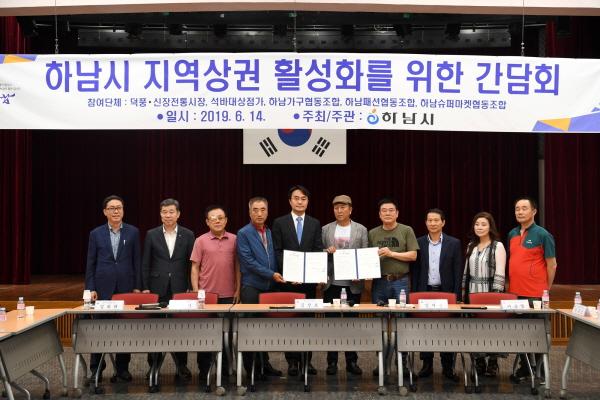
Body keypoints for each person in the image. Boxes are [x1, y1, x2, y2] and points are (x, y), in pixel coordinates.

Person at [85, 195, 141, 382]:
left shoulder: (133, 232)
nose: (116, 211)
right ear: (105, 212)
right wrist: (90, 288)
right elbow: (91, 263)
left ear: (123, 210)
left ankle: (122, 369)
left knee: (124, 329)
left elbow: (137, 261)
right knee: (99, 329)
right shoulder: (96, 234)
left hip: (126, 288)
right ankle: (96, 370)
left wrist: (137, 287)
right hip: (102, 289)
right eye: (112, 208)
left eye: (119, 208)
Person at [141, 198, 195, 381]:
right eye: (164, 212)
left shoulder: (188, 235)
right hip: (157, 288)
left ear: (178, 214)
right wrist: (145, 287)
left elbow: (192, 264)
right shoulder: (151, 234)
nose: (168, 215)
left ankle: (182, 366)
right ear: (160, 214)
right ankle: (153, 366)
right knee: (155, 327)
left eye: (171, 212)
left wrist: (190, 287)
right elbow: (146, 262)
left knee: (180, 327)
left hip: (180, 288)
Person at [272, 185, 323, 377]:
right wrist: (290, 273)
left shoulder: (314, 223)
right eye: (296, 198)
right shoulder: (280, 222)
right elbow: (277, 251)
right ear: (290, 201)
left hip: (308, 283)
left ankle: (307, 361)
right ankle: (292, 362)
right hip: (287, 282)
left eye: (303, 198)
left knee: (308, 321)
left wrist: (313, 275)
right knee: (290, 322)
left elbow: (317, 250)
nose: (300, 201)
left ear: (307, 202)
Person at [507, 196, 557, 381]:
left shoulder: (543, 235)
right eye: (517, 209)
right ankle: (525, 368)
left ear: (534, 211)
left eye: (524, 208)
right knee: (520, 333)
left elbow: (552, 265)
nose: (520, 212)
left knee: (538, 335)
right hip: (515, 294)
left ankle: (541, 371)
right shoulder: (512, 234)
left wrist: (546, 289)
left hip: (536, 296)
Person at [369, 197, 418, 376]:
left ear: (397, 213)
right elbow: (367, 258)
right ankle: (382, 362)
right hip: (379, 282)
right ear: (379, 214)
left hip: (400, 281)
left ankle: (402, 362)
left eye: (391, 210)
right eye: (384, 210)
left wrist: (391, 253)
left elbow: (413, 256)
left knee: (401, 321)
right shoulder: (373, 233)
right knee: (379, 323)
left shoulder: (406, 230)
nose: (388, 213)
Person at [412, 208, 462, 382]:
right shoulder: (418, 242)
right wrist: (414, 293)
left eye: (436, 220)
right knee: (425, 328)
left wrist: (457, 296)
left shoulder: (454, 243)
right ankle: (427, 364)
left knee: (447, 329)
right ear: (426, 223)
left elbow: (457, 271)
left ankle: (448, 366)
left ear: (443, 222)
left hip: (446, 292)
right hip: (424, 291)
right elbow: (416, 271)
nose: (432, 223)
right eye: (430, 220)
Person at [190, 205, 240, 378]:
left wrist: (238, 289)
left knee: (227, 334)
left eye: (220, 218)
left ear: (226, 220)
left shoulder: (235, 239)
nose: (217, 221)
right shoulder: (200, 240)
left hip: (229, 295)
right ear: (207, 222)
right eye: (213, 218)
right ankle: (204, 369)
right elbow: (195, 268)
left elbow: (238, 266)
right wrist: (196, 292)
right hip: (207, 297)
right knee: (205, 333)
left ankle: (226, 369)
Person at [237, 196, 284, 378]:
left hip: (271, 287)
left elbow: (276, 258)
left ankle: (264, 364)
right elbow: (248, 262)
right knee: (250, 328)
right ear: (249, 212)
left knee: (264, 329)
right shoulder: (243, 233)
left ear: (267, 212)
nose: (259, 213)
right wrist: (271, 274)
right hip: (252, 287)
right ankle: (252, 369)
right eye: (255, 210)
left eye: (263, 209)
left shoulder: (270, 232)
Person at [321, 195, 368, 376]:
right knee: (331, 324)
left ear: (350, 209)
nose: (339, 211)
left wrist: (360, 274)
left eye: (343, 207)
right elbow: (319, 252)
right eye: (336, 208)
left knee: (351, 323)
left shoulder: (361, 229)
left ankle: (351, 361)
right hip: (332, 283)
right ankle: (332, 361)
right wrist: (326, 251)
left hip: (352, 284)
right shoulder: (326, 229)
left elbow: (364, 255)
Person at [461, 211, 506, 377]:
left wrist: (496, 297)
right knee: (474, 328)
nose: (479, 227)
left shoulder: (497, 246)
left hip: (490, 293)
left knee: (492, 328)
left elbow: (500, 273)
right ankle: (478, 361)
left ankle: (493, 362)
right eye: (477, 224)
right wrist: (463, 295)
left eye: (483, 224)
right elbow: (466, 271)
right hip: (472, 293)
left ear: (490, 227)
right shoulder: (471, 246)